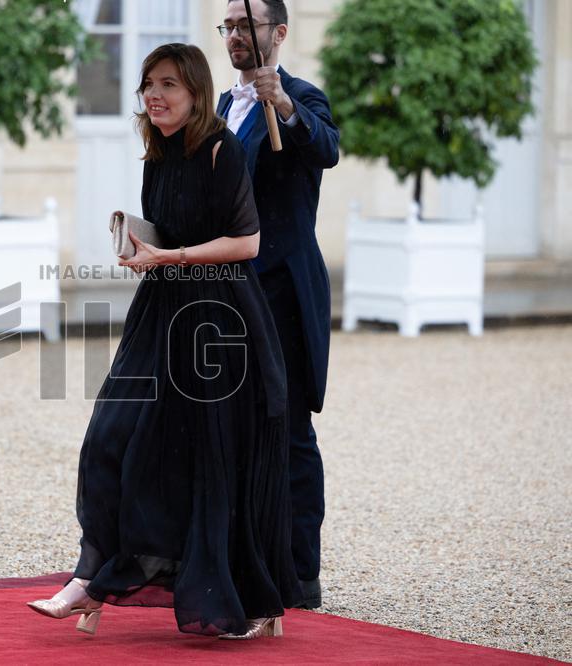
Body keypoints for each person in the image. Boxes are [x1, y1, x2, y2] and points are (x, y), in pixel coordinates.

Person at [27, 43, 301, 640]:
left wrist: (170, 255)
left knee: (206, 455)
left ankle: (230, 592)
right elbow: (171, 233)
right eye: (148, 84)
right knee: (111, 433)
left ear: (197, 92)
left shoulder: (221, 149)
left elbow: (246, 242)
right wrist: (141, 243)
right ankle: (91, 572)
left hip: (220, 317)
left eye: (169, 84)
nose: (154, 95)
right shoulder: (156, 156)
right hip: (162, 310)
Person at [215, 0, 340, 609]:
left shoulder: (304, 97)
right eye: (230, 26)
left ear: (279, 33)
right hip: (226, 295)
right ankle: (245, 563)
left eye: (248, 25)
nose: (236, 35)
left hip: (285, 296)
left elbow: (327, 148)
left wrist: (283, 105)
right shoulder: (222, 105)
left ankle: (301, 574)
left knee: (289, 431)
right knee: (232, 431)